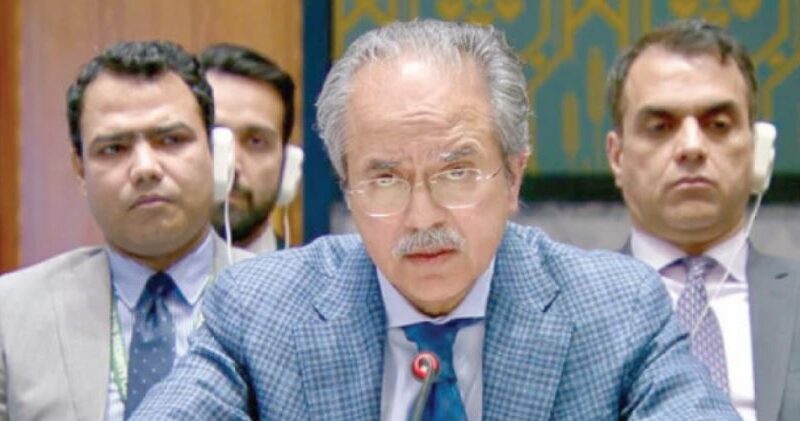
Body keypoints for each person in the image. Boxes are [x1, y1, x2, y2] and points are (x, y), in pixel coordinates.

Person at [133, 20, 738, 420]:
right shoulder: (259, 310)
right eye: (384, 179)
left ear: (514, 177)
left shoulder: (616, 310)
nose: (422, 217)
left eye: (457, 172)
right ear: (347, 187)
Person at [0, 40, 251, 421]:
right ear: (80, 170)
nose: (145, 168)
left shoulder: (283, 302)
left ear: (215, 153)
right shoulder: (12, 313)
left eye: (171, 140)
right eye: (114, 148)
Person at [605, 19, 800, 421]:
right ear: (617, 157)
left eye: (718, 125)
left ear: (757, 150)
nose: (692, 147)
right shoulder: (565, 314)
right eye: (660, 127)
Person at [199, 44, 297, 253]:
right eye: (214, 138)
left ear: (287, 164)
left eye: (256, 141)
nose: (232, 164)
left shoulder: (314, 275)